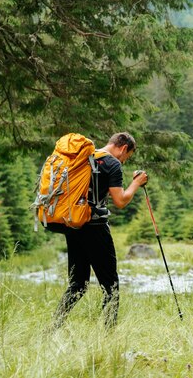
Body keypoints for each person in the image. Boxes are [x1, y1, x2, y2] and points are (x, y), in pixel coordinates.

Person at [52, 132, 148, 329]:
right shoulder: (112, 164)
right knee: (111, 285)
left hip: (74, 225)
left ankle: (54, 326)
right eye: (126, 156)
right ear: (123, 148)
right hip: (95, 228)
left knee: (78, 283)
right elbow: (120, 201)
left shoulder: (84, 159)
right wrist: (136, 183)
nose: (124, 159)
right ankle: (108, 334)